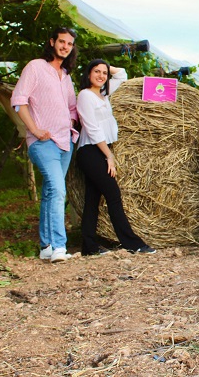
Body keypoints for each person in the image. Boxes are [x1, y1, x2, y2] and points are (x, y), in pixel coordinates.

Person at [11, 27, 80, 263]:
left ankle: (46, 246)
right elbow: (18, 101)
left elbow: (72, 108)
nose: (65, 46)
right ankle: (60, 246)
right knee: (58, 190)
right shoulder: (35, 67)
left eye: (69, 44)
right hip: (43, 141)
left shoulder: (66, 76)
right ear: (52, 42)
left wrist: (71, 124)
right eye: (61, 42)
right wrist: (34, 129)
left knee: (51, 192)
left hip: (65, 141)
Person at [76, 59, 156, 256]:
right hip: (90, 150)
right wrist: (109, 155)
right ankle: (132, 243)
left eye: (104, 73)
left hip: (99, 150)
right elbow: (92, 129)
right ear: (88, 73)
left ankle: (89, 246)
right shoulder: (85, 95)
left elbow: (121, 75)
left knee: (92, 199)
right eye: (96, 71)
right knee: (113, 194)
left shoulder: (103, 94)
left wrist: (105, 64)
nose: (101, 75)